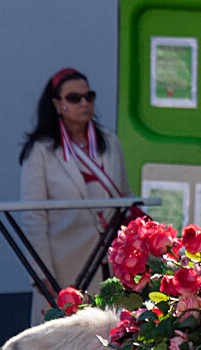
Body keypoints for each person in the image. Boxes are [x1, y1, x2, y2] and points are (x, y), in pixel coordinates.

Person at [19, 67, 131, 323]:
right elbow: (34, 217)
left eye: (89, 96)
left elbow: (125, 195)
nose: (84, 103)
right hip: (63, 264)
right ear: (57, 104)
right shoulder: (41, 151)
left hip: (108, 262)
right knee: (61, 344)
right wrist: (41, 273)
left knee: (109, 340)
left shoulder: (110, 142)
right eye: (74, 98)